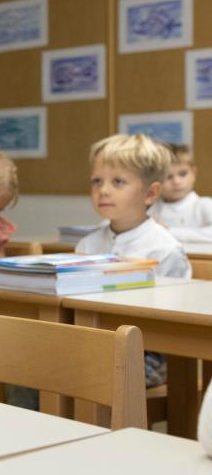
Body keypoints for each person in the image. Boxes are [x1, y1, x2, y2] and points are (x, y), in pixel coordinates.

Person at [75, 133, 190, 388]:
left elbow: (172, 323)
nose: (103, 190)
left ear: (150, 193)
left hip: (148, 353)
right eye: (97, 181)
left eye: (118, 181)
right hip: (94, 341)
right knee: (33, 369)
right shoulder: (87, 245)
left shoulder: (165, 249)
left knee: (82, 374)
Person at [149, 143, 212, 242]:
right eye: (168, 177)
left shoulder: (204, 204)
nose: (176, 182)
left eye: (183, 174)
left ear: (193, 173)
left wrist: (168, 231)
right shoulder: (151, 207)